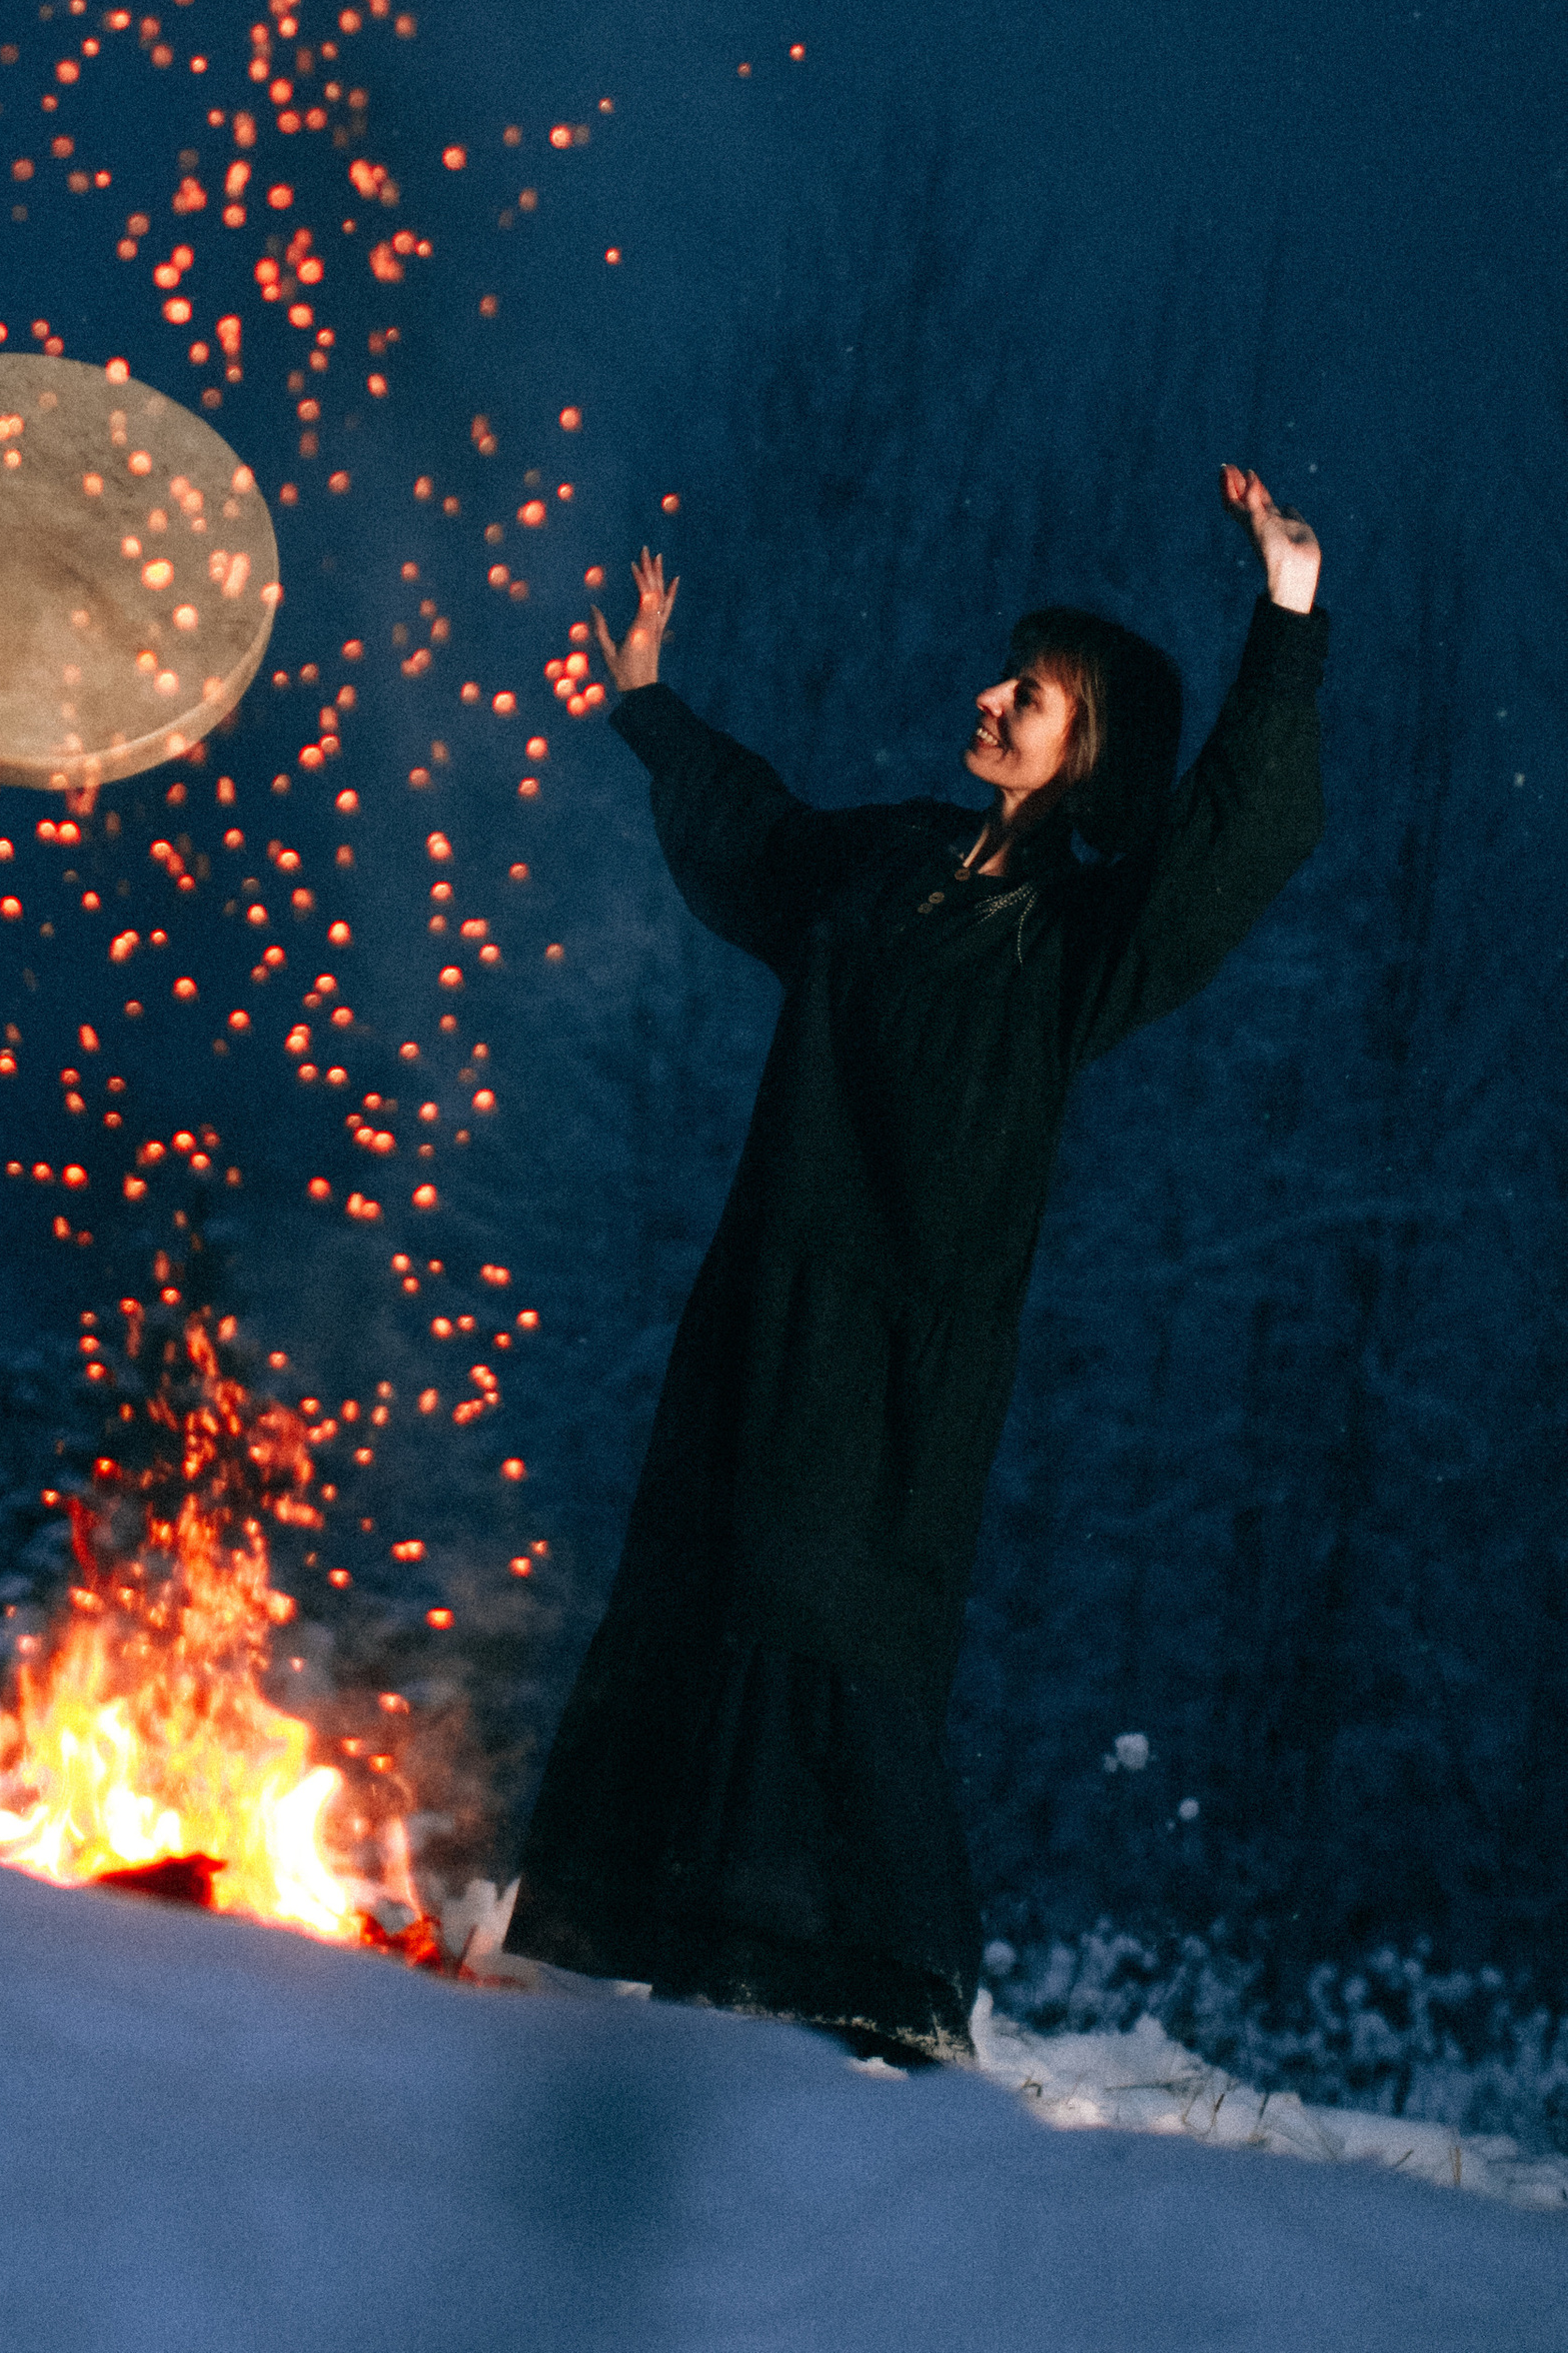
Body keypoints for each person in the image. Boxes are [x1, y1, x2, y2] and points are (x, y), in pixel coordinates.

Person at [504, 465, 1327, 2060]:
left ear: (1088, 751)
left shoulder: (1077, 944)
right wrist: (651, 705)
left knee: (837, 1618)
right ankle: (670, 1948)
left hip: (903, 1358)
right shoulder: (887, 859)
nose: (990, 700)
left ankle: (862, 1989)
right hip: (764, 1313)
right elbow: (756, 834)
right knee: (709, 1578)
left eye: (1031, 696)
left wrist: (1287, 614)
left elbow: (1230, 851)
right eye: (1006, 677)